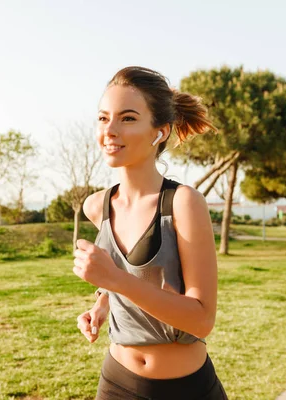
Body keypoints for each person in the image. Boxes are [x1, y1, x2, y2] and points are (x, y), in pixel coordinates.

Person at [72, 66, 228, 399]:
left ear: (159, 132)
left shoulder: (183, 203)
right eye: (103, 118)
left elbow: (201, 319)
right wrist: (103, 304)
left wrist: (114, 281)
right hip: (117, 383)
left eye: (127, 118)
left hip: (186, 388)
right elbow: (130, 281)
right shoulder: (97, 206)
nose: (110, 130)